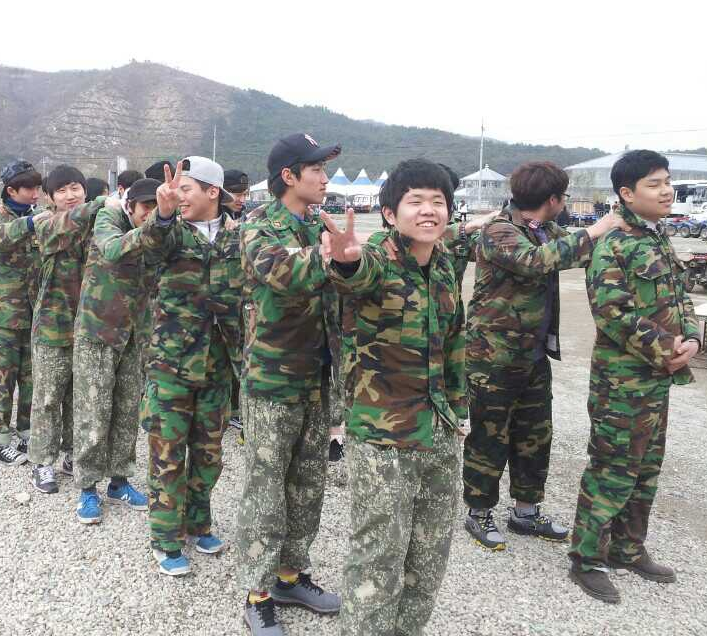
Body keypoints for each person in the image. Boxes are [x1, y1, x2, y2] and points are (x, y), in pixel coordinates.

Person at [321, 160, 465, 636]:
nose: (429, 210)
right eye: (415, 201)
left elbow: (454, 343)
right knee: (378, 555)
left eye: (438, 201)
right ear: (388, 213)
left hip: (439, 430)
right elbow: (354, 275)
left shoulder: (443, 265)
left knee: (429, 553)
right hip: (383, 436)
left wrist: (459, 411)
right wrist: (346, 260)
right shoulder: (378, 259)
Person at [462, 161, 626, 550]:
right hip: (493, 358)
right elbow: (537, 262)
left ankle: (526, 511)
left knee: (535, 435)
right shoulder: (499, 230)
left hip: (532, 356)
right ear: (552, 199)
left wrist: (615, 235)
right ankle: (478, 512)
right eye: (563, 196)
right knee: (489, 437)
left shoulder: (544, 229)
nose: (564, 203)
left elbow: (577, 252)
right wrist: (597, 228)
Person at [568, 150, 701, 603]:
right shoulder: (614, 243)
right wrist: (666, 349)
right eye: (654, 184)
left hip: (656, 377)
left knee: (646, 468)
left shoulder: (658, 236)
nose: (667, 191)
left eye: (667, 181)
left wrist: (691, 339)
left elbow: (681, 296)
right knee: (613, 468)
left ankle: (627, 548)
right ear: (626, 193)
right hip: (622, 383)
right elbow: (612, 313)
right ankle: (586, 558)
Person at [235, 134, 342, 635]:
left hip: (316, 378)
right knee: (266, 488)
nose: (325, 178)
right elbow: (281, 272)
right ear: (289, 176)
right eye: (316, 169)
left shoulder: (319, 225)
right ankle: (257, 593)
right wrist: (333, 256)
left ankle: (290, 575)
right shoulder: (259, 224)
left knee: (307, 485)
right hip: (272, 380)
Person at [139, 157, 242, 577]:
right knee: (167, 454)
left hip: (218, 365)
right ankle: (165, 537)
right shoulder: (171, 232)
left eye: (186, 188)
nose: (178, 195)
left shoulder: (238, 236)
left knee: (209, 453)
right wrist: (163, 214)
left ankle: (199, 523)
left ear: (212, 192)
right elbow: (149, 248)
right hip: (172, 365)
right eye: (175, 189)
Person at [72, 178, 160, 515]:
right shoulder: (109, 219)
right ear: (130, 205)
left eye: (157, 207)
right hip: (98, 331)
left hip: (134, 334)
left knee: (126, 412)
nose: (151, 214)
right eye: (146, 207)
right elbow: (111, 249)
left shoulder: (162, 230)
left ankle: (119, 481)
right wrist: (157, 226)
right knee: (93, 413)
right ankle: (87, 487)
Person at [29, 166, 106, 493]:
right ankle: (42, 461)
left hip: (89, 325)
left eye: (75, 188)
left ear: (84, 190)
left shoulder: (101, 224)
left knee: (82, 398)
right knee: (48, 397)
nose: (70, 195)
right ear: (50, 197)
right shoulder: (45, 222)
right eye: (61, 190)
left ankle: (75, 453)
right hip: (53, 325)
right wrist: (102, 203)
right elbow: (63, 227)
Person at [0, 160, 45, 466]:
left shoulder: (40, 214)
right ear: (11, 190)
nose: (35, 193)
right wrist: (30, 224)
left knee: (31, 377)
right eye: (29, 188)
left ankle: (28, 431)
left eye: (37, 188)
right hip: (3, 314)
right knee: (0, 376)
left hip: (34, 312)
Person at [222, 168, 250, 437]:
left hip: (244, 302)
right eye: (236, 193)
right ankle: (230, 410)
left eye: (245, 193)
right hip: (223, 305)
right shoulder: (215, 222)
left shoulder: (247, 221)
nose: (241, 199)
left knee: (242, 355)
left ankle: (238, 409)